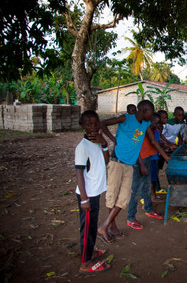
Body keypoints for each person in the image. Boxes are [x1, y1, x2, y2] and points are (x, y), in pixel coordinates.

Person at [97, 100, 169, 243]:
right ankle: (112, 226)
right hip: (117, 162)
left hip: (130, 165)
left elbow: (154, 142)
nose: (153, 115)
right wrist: (112, 139)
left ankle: (104, 226)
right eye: (151, 112)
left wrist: (167, 157)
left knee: (124, 198)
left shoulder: (145, 124)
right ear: (144, 110)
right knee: (112, 196)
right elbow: (102, 123)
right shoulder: (126, 118)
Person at [75, 110, 111, 273]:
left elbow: (107, 159)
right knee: (87, 229)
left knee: (92, 226)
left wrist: (103, 141)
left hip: (95, 192)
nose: (93, 127)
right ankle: (85, 263)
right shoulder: (82, 147)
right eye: (88, 124)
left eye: (96, 123)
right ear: (82, 126)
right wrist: (84, 198)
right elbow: (79, 173)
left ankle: (91, 252)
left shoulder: (96, 141)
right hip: (87, 194)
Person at [127, 113, 168, 230]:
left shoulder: (152, 130)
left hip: (148, 158)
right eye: (156, 122)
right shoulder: (140, 129)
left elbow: (154, 142)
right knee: (135, 190)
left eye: (158, 123)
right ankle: (130, 217)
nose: (158, 125)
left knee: (146, 186)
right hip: (139, 162)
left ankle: (148, 209)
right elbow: (134, 146)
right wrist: (141, 164)